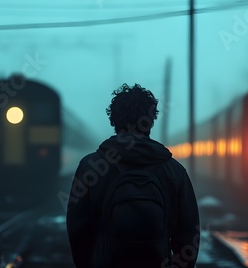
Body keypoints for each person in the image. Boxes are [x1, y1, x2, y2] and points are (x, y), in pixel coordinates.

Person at [66, 83, 200, 268]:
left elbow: (77, 229)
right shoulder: (175, 171)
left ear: (113, 120)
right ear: (151, 120)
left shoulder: (90, 167)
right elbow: (188, 233)